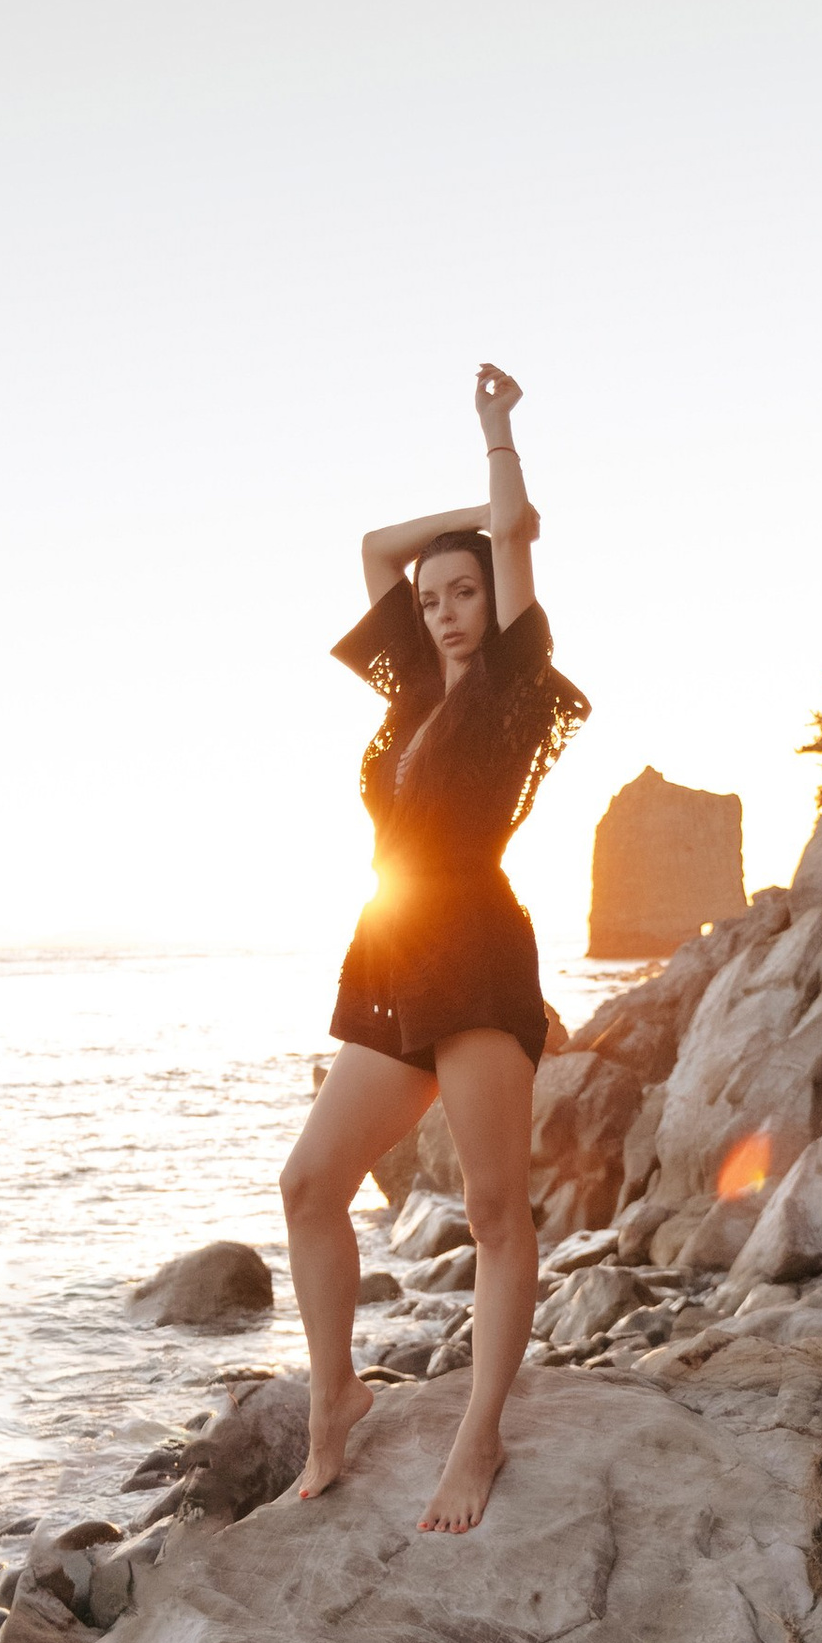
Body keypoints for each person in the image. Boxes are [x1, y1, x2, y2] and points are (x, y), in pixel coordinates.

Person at [281, 363, 588, 1531]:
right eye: (437, 596)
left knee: (495, 1210)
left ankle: (480, 1437)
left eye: (463, 590)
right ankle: (336, 1395)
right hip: (390, 952)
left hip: (474, 954)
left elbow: (513, 531)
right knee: (311, 1183)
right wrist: (432, 545)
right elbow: (373, 545)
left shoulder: (512, 688)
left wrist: (495, 439)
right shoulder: (407, 692)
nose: (448, 607)